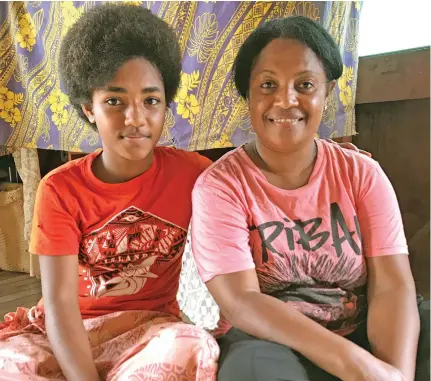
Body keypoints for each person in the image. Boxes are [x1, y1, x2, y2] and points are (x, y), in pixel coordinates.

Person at [191, 16, 429, 381]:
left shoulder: (361, 174)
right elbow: (243, 301)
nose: (286, 101)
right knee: (248, 371)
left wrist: (394, 373)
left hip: (367, 327)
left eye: (304, 84)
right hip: (270, 342)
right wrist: (356, 366)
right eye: (268, 85)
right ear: (248, 95)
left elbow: (393, 285)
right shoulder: (220, 187)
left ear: (327, 91)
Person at [0, 4, 219, 381]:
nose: (135, 118)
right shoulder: (60, 189)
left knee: (194, 346)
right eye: (115, 101)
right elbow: (60, 304)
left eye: (150, 100)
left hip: (149, 331)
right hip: (65, 330)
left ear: (166, 104)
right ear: (89, 108)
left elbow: (251, 185)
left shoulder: (194, 174)